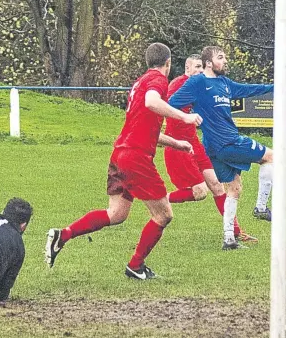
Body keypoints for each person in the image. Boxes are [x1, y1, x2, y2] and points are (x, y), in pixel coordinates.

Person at [45, 42, 202, 280]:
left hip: (120, 153)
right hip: (136, 157)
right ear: (168, 64)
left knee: (116, 214)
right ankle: (135, 266)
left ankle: (63, 235)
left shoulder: (140, 83)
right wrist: (185, 117)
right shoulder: (158, 81)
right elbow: (152, 103)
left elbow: (145, 126)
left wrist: (177, 143)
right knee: (163, 215)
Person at [169, 46, 274, 250]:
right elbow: (171, 102)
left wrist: (274, 87)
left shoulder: (225, 83)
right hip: (228, 142)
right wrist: (187, 115)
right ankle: (261, 208)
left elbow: (248, 90)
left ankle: (229, 239)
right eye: (220, 57)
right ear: (209, 63)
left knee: (234, 187)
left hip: (213, 149)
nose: (225, 61)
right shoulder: (198, 82)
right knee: (271, 156)